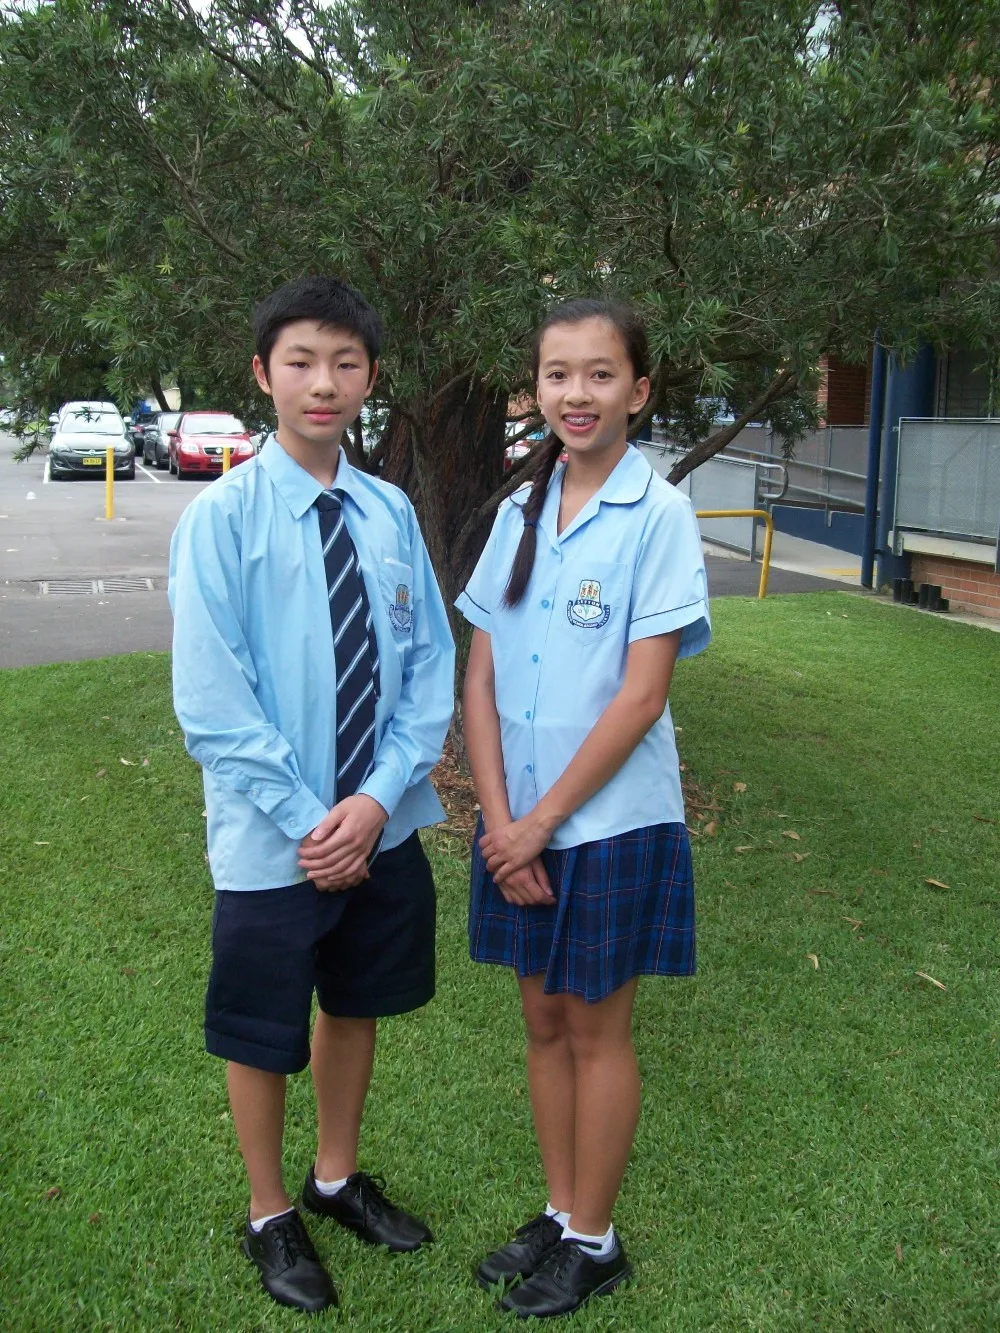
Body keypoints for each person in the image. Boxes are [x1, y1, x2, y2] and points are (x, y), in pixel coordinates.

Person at [168, 276, 454, 1315]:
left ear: (370, 377)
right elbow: (211, 701)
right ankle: (268, 1209)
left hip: (377, 826)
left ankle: (335, 1178)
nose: (322, 382)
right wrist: (310, 822)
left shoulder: (387, 513)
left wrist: (375, 802)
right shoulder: (223, 520)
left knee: (355, 998)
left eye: (344, 363)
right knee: (261, 1022)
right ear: (263, 375)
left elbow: (428, 670)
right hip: (272, 837)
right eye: (300, 361)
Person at [457, 298, 711, 1319]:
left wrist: (536, 823)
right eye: (557, 373)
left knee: (598, 1031)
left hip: (607, 823)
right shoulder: (520, 509)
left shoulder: (658, 515)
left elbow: (641, 695)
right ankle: (562, 1210)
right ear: (536, 388)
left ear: (639, 392)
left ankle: (595, 1239)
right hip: (513, 821)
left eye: (600, 374)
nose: (576, 393)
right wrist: (495, 814)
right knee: (542, 1017)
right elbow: (478, 677)